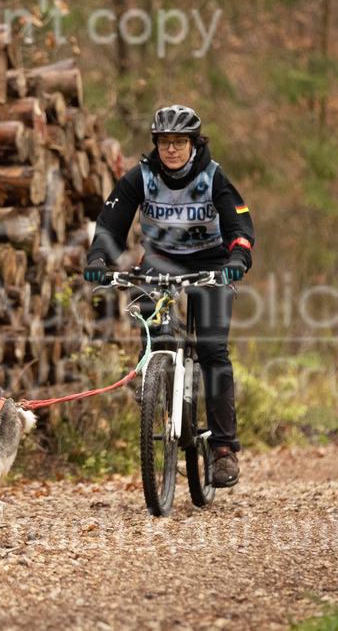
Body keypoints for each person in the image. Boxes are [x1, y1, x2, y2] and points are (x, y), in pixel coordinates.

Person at [83, 104, 254, 487]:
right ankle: (152, 368)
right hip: (162, 258)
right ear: (156, 144)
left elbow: (239, 222)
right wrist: (98, 255)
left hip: (212, 263)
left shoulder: (213, 177)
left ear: (193, 144)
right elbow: (111, 223)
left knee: (212, 350)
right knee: (149, 303)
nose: (171, 149)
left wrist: (239, 255)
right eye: (163, 142)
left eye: (179, 142)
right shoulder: (140, 178)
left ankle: (224, 448)